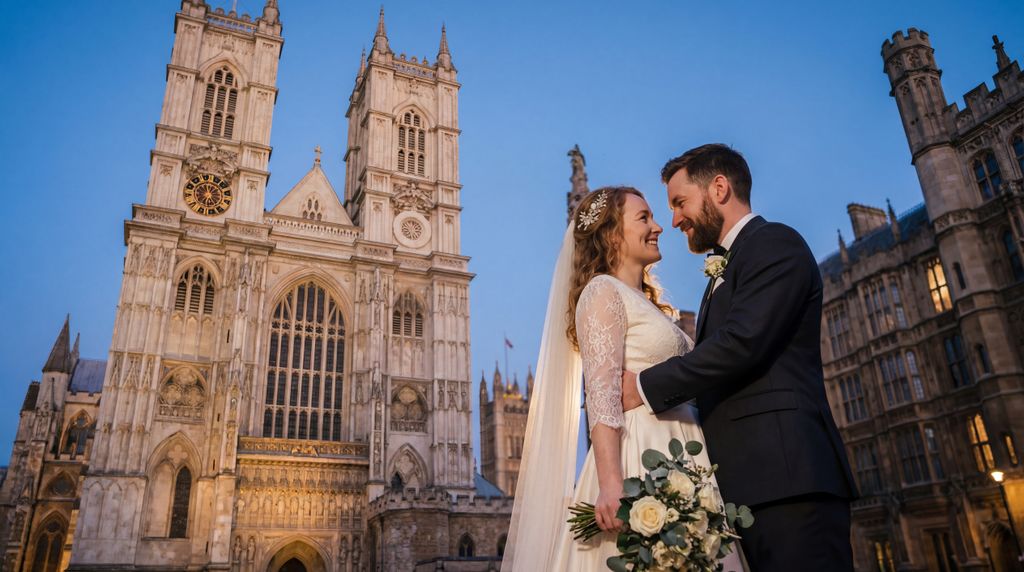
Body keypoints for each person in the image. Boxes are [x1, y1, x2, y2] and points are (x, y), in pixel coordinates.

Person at [621, 144, 858, 571]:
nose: (674, 220)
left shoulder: (775, 244)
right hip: (748, 487)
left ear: (719, 188)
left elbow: (740, 343)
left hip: (790, 482)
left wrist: (642, 385)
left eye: (680, 203)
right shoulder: (727, 265)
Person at [502, 186, 746, 571]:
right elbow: (602, 394)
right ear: (612, 233)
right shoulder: (602, 291)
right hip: (642, 455)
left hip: (683, 456)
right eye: (644, 218)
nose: (658, 227)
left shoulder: (645, 301)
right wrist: (612, 483)